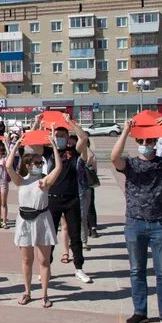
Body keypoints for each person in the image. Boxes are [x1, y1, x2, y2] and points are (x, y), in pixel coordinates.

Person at [110, 116, 162, 323]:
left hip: (160, 224)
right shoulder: (131, 164)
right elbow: (113, 157)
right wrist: (126, 131)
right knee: (137, 270)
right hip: (135, 223)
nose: (146, 146)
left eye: (150, 142)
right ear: (138, 143)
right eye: (143, 142)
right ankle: (140, 312)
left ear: (155, 143)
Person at [5, 133, 62, 308]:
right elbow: (8, 166)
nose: (39, 165)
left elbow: (58, 168)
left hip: (42, 220)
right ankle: (27, 292)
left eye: (41, 163)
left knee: (44, 261)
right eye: (36, 163)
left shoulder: (44, 181)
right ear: (28, 165)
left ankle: (44, 294)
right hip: (24, 221)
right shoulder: (21, 181)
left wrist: (53, 147)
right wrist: (16, 146)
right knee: (26, 260)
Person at [35, 113, 93, 284]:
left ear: (68, 137)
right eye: (57, 135)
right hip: (52, 199)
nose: (59, 138)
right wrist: (37, 123)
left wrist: (70, 123)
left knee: (75, 235)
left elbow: (84, 137)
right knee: (50, 236)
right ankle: (47, 268)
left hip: (72, 199)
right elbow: (33, 143)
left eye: (62, 136)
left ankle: (79, 268)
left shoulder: (73, 152)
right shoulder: (47, 152)